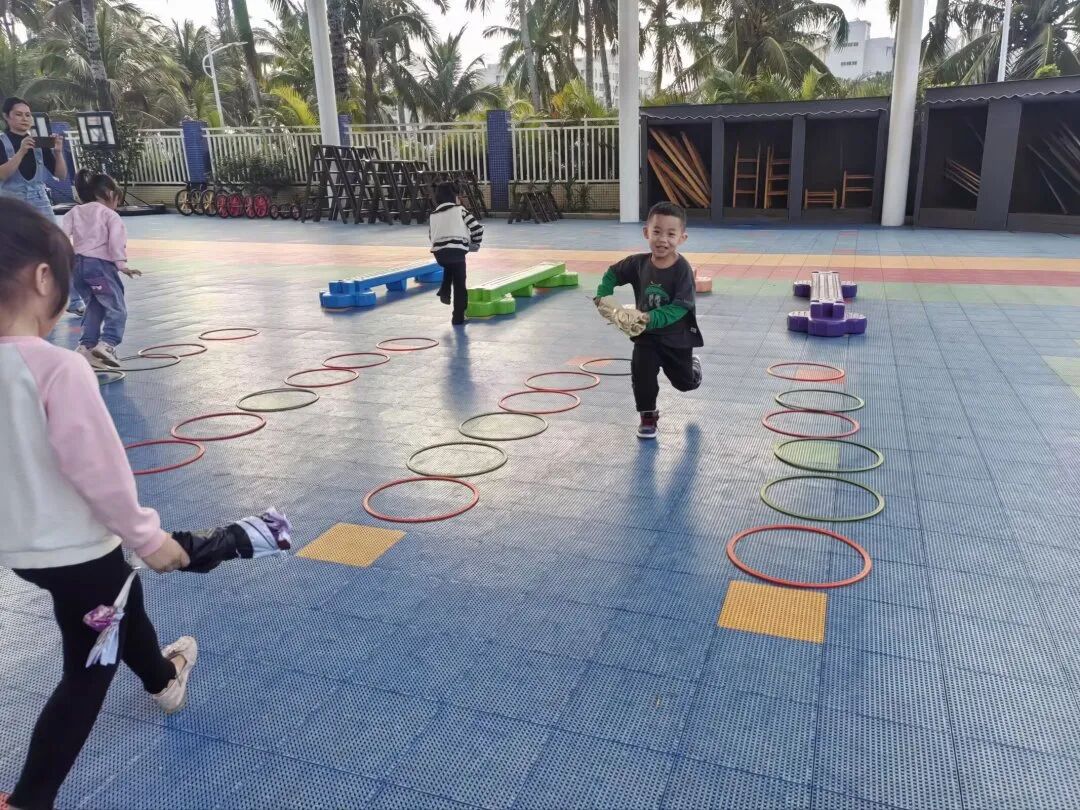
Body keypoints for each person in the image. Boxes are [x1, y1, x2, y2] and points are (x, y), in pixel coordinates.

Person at [0, 198, 291, 810]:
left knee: (116, 605)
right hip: (78, 550)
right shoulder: (56, 368)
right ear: (44, 278)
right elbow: (98, 469)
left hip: (22, 551)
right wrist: (146, 536)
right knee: (88, 669)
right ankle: (29, 800)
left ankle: (163, 679)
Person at [593, 202, 704, 439]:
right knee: (641, 375)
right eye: (657, 232)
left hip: (676, 338)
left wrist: (647, 317)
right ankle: (648, 416)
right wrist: (603, 295)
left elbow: (680, 307)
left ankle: (693, 370)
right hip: (646, 337)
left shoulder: (683, 270)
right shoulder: (638, 263)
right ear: (646, 233)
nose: (663, 239)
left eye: (671, 234)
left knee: (683, 383)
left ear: (682, 238)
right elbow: (613, 273)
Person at [0, 96, 83, 317]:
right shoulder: (2, 142)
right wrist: (20, 152)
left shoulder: (38, 142)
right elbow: (2, 175)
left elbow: (61, 175)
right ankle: (16, 302)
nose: (24, 119)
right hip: (11, 203)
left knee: (57, 247)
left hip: (39, 199)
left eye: (28, 115)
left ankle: (73, 300)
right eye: (18, 114)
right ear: (7, 117)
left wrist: (58, 152)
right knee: (14, 253)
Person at [62, 170, 137, 370]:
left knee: (94, 306)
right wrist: (122, 265)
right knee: (116, 306)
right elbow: (116, 241)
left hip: (78, 267)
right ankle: (107, 344)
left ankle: (85, 347)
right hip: (100, 267)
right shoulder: (109, 215)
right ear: (110, 194)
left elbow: (61, 235)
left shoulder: (74, 212)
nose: (117, 204)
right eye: (117, 199)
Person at [428, 181, 483, 325]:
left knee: (449, 263)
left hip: (439, 255)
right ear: (454, 196)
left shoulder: (433, 215)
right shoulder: (460, 210)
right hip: (457, 252)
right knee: (459, 284)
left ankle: (445, 290)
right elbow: (477, 229)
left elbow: (431, 236)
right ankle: (458, 317)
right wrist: (475, 244)